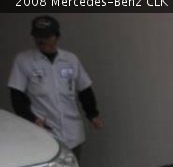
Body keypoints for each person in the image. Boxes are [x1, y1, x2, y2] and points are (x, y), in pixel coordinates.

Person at [7, 15, 103, 155]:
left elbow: (84, 89)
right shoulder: (24, 60)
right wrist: (31, 119)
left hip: (72, 131)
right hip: (43, 130)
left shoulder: (70, 59)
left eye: (46, 37)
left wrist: (92, 114)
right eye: (38, 37)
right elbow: (16, 95)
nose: (41, 41)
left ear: (57, 37)